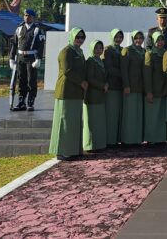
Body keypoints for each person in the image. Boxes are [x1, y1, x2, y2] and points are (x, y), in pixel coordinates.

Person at [49, 28, 87, 160]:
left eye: (82, 37)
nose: (80, 39)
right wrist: (81, 82)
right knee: (65, 121)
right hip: (66, 90)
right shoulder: (67, 51)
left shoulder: (79, 52)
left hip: (77, 91)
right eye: (77, 37)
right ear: (72, 37)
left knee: (74, 122)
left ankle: (74, 150)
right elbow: (67, 70)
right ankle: (64, 151)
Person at [8, 9, 45, 111]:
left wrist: (38, 59)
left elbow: (41, 46)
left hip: (31, 58)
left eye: (29, 15)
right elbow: (14, 44)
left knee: (31, 80)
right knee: (21, 80)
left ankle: (30, 102)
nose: (26, 17)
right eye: (25, 15)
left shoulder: (37, 29)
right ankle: (21, 102)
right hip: (20, 58)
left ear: (33, 17)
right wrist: (11, 58)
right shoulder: (19, 28)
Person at [120, 31, 145, 145]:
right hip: (130, 87)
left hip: (140, 87)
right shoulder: (127, 50)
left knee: (137, 115)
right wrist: (126, 85)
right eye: (136, 38)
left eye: (140, 38)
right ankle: (127, 140)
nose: (138, 40)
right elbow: (124, 70)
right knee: (129, 114)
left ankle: (136, 139)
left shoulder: (144, 51)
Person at [143, 32, 167, 144]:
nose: (160, 42)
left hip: (164, 89)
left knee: (161, 116)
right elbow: (147, 74)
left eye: (162, 40)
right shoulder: (150, 54)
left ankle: (161, 138)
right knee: (152, 116)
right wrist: (149, 91)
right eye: (158, 40)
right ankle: (151, 139)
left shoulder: (166, 53)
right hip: (153, 89)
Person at [83, 40, 108, 152]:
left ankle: (99, 144)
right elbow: (90, 78)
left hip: (100, 95)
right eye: (96, 48)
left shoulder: (101, 61)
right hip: (92, 95)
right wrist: (102, 85)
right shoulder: (90, 61)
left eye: (100, 48)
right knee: (91, 121)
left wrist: (106, 84)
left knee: (98, 121)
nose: (98, 50)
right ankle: (90, 145)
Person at [103, 29, 124, 146]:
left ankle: (116, 139)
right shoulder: (108, 50)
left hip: (120, 86)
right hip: (112, 86)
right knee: (111, 114)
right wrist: (124, 74)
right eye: (116, 37)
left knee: (118, 115)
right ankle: (110, 140)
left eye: (120, 37)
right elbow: (109, 68)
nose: (119, 39)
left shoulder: (121, 50)